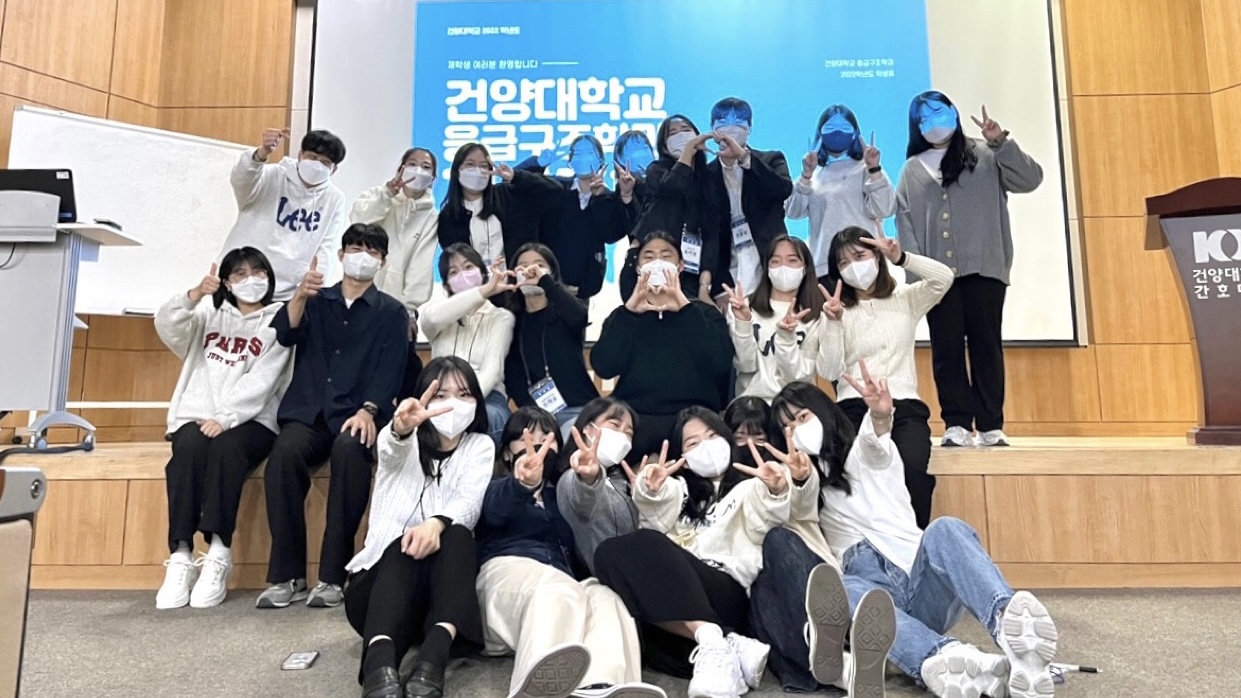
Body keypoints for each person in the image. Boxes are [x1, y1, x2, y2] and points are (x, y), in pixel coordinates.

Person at [772, 374, 1060, 698]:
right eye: (787, 427)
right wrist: (798, 479)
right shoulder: (805, 482)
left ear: (822, 410)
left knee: (945, 528)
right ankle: (946, 657)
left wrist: (880, 414)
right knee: (841, 587)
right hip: (876, 602)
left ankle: (1009, 624)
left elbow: (875, 442)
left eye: (802, 417)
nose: (796, 430)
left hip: (919, 581)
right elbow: (800, 507)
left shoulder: (861, 452)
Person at [259, 223, 408, 610]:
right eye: (355, 248)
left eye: (372, 251)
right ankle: (287, 575)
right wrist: (298, 295)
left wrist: (369, 410)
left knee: (350, 450)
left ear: (382, 262)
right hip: (308, 412)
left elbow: (391, 370)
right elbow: (285, 334)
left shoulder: (392, 312)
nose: (362, 257)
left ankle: (332, 576)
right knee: (284, 455)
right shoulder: (314, 300)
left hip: (355, 415)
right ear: (341, 255)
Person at [594, 407, 791, 698]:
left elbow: (770, 515)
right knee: (606, 555)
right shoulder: (681, 490)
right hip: (679, 613)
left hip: (726, 593)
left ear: (726, 439)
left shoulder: (751, 486)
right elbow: (660, 502)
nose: (705, 447)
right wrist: (651, 489)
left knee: (646, 542)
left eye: (711, 436)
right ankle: (720, 642)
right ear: (682, 457)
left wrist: (776, 490)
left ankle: (717, 640)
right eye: (693, 443)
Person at [476, 407, 665, 698]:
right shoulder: (492, 486)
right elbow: (494, 511)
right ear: (506, 453)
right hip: (504, 582)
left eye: (547, 437)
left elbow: (582, 502)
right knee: (558, 588)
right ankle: (532, 689)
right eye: (527, 437)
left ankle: (600, 686)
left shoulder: (557, 495)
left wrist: (590, 479)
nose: (538, 444)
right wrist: (522, 483)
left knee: (605, 596)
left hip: (561, 592)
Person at [721, 396, 897, 696]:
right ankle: (845, 669)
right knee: (759, 597)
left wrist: (796, 480)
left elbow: (802, 501)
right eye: (739, 437)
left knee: (777, 539)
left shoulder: (788, 468)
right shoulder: (714, 490)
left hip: (805, 575)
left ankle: (819, 637)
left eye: (758, 437)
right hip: (758, 589)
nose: (749, 446)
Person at [896, 91, 1043, 448]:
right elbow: (906, 224)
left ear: (953, 112)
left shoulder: (986, 154)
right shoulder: (912, 169)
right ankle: (957, 422)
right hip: (937, 279)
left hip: (984, 269)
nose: (933, 121)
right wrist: (918, 279)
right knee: (946, 350)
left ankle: (991, 424)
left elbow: (1030, 180)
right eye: (924, 117)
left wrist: (1000, 142)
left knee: (986, 346)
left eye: (939, 111)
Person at [343, 357, 492, 698]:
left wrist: (436, 524)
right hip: (376, 594)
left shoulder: (480, 446)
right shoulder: (401, 441)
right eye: (441, 395)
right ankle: (378, 664)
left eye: (464, 394)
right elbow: (390, 450)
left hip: (433, 602)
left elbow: (469, 502)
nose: (453, 403)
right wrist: (400, 428)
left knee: (457, 533)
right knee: (404, 546)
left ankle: (431, 662)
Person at [154, 248, 292, 610]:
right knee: (187, 449)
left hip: (252, 420)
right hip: (197, 414)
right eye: (240, 274)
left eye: (258, 272)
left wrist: (227, 417)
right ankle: (181, 554)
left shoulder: (278, 321)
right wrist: (194, 294)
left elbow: (264, 379)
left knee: (227, 450)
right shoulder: (207, 316)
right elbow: (167, 324)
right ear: (227, 283)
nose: (251, 280)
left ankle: (219, 550)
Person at [817, 226, 953, 529]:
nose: (853, 266)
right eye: (843, 262)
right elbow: (828, 371)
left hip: (903, 406)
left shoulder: (905, 298)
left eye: (859, 256)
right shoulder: (836, 311)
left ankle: (912, 544)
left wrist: (902, 258)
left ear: (877, 257)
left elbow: (944, 278)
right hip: (852, 408)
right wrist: (834, 323)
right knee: (848, 476)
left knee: (913, 470)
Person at [590, 232, 734, 458]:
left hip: (694, 417)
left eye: (666, 256)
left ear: (680, 266)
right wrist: (629, 313)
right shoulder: (623, 316)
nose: (657, 262)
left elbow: (721, 362)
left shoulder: (704, 313)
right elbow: (604, 366)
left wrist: (686, 309)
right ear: (638, 268)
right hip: (636, 417)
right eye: (649, 257)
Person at [349, 146, 439, 397]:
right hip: (360, 297)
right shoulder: (377, 197)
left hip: (399, 307)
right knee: (356, 365)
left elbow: (421, 265)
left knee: (396, 372)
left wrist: (408, 310)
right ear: (401, 168)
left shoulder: (431, 216)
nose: (418, 170)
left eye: (426, 167)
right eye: (412, 163)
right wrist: (387, 194)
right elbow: (358, 222)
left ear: (433, 178)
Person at [220, 128, 349, 300]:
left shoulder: (334, 198)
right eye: (312, 157)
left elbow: (327, 247)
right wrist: (261, 153)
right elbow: (241, 180)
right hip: (239, 282)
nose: (317, 165)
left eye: (325, 163)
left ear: (334, 170)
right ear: (300, 155)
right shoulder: (273, 175)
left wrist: (314, 291)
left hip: (287, 294)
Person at [785, 104, 896, 286]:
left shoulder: (865, 169)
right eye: (830, 128)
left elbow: (885, 209)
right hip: (824, 267)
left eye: (845, 127)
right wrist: (806, 175)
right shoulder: (815, 175)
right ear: (820, 134)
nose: (837, 133)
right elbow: (793, 211)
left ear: (855, 133)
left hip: (864, 262)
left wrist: (874, 169)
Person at [513, 135, 632, 301]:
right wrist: (538, 163)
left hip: (582, 287)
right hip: (544, 280)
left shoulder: (610, 198)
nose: (584, 158)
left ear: (601, 160)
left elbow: (611, 235)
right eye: (577, 153)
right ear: (570, 161)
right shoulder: (555, 187)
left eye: (589, 153)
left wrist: (599, 199)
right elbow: (513, 182)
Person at [420, 243, 516, 443]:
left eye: (468, 267)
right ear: (447, 284)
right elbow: (431, 319)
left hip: (486, 395)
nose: (463, 275)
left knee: (490, 417)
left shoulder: (501, 317)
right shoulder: (438, 314)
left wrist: (463, 401)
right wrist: (484, 291)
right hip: (439, 394)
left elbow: (492, 371)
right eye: (453, 272)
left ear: (482, 272)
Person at [503, 243, 599, 436]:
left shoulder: (564, 311)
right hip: (537, 415)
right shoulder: (511, 321)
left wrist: (545, 281)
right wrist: (533, 413)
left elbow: (579, 317)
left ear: (551, 273)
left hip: (578, 409)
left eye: (539, 265)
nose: (530, 271)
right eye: (523, 266)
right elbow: (512, 375)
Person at [704, 97, 793, 302]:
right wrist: (716, 288)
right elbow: (708, 234)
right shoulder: (706, 175)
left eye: (738, 122)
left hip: (770, 264)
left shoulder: (771, 159)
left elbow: (782, 190)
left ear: (749, 128)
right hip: (729, 274)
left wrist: (744, 158)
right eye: (723, 121)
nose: (731, 128)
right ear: (712, 128)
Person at [622, 115, 719, 302]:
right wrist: (688, 150)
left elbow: (712, 234)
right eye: (673, 133)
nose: (681, 135)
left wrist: (704, 285)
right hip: (649, 265)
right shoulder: (655, 170)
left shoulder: (709, 179)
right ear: (665, 146)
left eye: (686, 130)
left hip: (690, 268)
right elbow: (674, 185)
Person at [723, 235, 824, 402]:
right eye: (775, 261)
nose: (783, 267)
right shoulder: (744, 307)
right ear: (767, 269)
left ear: (805, 268)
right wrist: (743, 323)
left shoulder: (815, 315)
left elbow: (798, 375)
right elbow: (745, 365)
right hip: (752, 405)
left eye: (792, 261)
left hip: (797, 405)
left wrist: (787, 338)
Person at [437, 141, 561, 268]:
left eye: (483, 166)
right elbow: (454, 261)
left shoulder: (507, 195)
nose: (478, 171)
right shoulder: (449, 216)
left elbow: (554, 190)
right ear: (457, 171)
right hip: (477, 280)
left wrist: (514, 176)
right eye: (470, 164)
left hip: (520, 277)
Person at [556, 398, 641, 575]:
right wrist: (589, 478)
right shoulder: (571, 477)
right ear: (588, 428)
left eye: (629, 433)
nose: (622, 436)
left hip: (637, 563)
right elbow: (583, 499)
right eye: (614, 425)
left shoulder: (620, 479)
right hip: (609, 575)